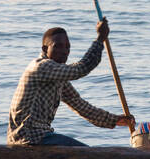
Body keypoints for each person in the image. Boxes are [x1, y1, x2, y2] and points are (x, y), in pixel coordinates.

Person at [7, 17, 134, 146]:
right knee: (89, 155)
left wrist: (115, 120)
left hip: (42, 135)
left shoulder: (56, 76)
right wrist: (100, 39)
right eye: (58, 46)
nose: (64, 51)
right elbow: (81, 69)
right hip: (29, 137)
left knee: (88, 152)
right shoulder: (41, 67)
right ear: (45, 49)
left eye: (67, 47)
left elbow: (80, 105)